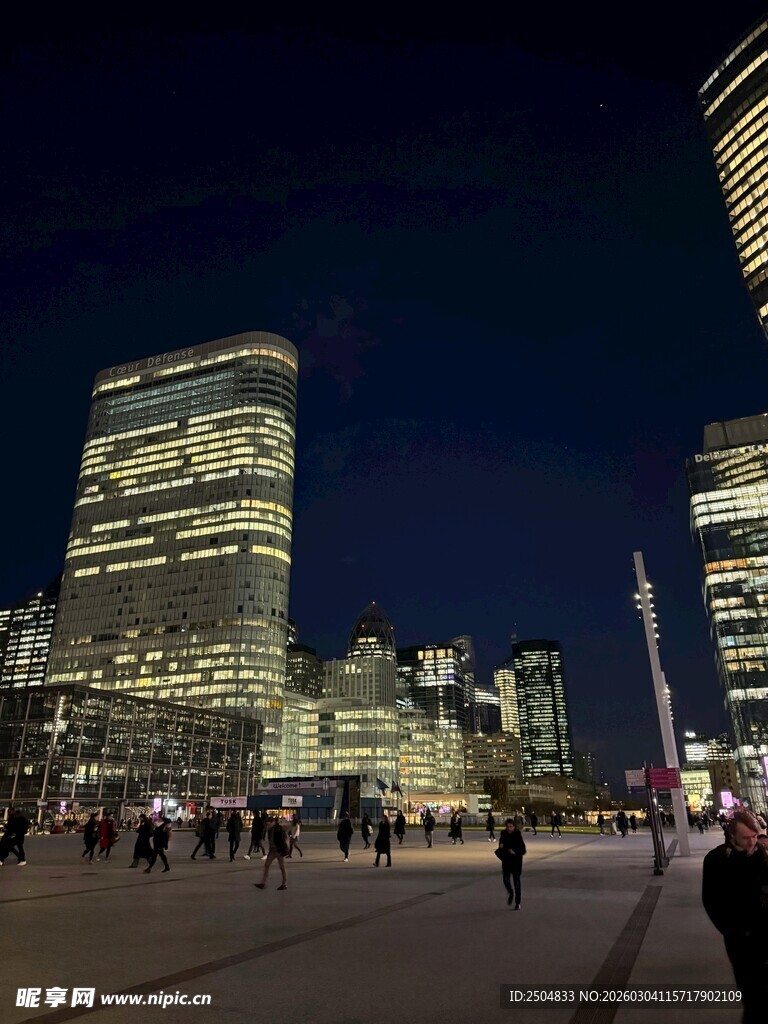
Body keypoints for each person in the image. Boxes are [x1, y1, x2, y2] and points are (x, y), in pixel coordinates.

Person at [702, 809, 768, 1023]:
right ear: (732, 837)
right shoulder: (716, 860)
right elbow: (711, 901)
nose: (751, 842)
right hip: (739, 937)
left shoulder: (760, 854)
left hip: (764, 931)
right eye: (745, 838)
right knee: (751, 991)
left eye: (754, 837)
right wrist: (730, 929)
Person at [497, 818, 526, 909]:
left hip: (516, 862)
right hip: (506, 861)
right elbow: (501, 843)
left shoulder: (517, 835)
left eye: (511, 827)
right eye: (508, 827)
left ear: (514, 827)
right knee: (505, 880)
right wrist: (501, 845)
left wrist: (515, 852)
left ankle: (518, 903)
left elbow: (523, 850)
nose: (509, 829)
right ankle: (511, 893)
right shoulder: (503, 833)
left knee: (516, 882)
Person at [254, 816, 288, 890]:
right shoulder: (269, 830)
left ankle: (284, 883)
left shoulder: (279, 829)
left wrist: (284, 850)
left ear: (273, 822)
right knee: (266, 865)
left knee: (282, 867)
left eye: (269, 824)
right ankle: (263, 883)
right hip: (272, 851)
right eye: (267, 824)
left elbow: (284, 839)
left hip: (279, 851)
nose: (267, 825)